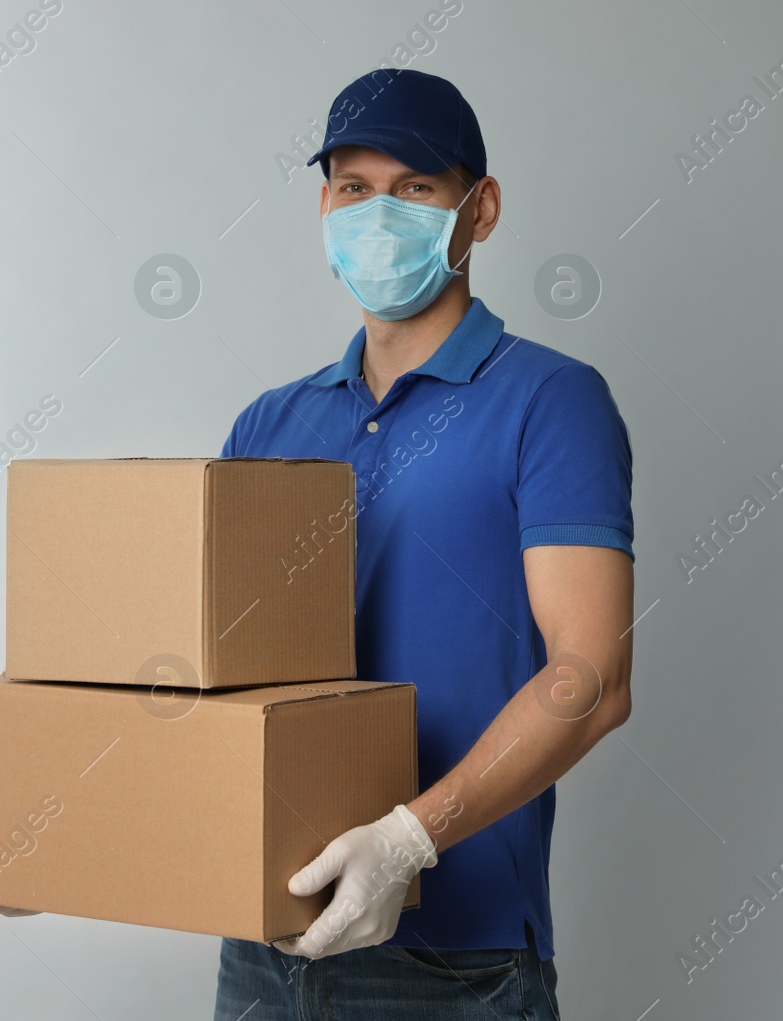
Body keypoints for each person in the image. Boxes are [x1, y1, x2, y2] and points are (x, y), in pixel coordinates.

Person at [210, 67, 635, 1019]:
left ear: (478, 209)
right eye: (355, 189)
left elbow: (593, 677)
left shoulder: (549, 402)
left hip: (455, 962)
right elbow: (211, 680)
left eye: (414, 189)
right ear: (323, 206)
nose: (377, 213)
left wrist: (407, 838)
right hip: (263, 946)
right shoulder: (269, 422)